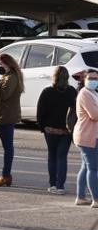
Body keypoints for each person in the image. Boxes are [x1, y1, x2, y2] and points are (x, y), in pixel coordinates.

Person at [38, 65, 78, 195]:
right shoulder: (72, 91)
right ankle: (61, 186)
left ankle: (53, 184)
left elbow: (40, 113)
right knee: (62, 157)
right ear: (67, 78)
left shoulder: (47, 92)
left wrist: (43, 127)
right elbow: (76, 112)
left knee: (52, 156)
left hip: (50, 130)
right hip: (66, 131)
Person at [0, 51, 24, 187]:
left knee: (8, 148)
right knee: (7, 147)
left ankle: (5, 175)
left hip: (7, 116)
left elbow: (3, 96)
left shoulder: (11, 78)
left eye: (0, 64)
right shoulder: (8, 76)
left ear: (7, 64)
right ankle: (5, 175)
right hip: (5, 114)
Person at [74, 70, 98, 207]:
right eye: (91, 78)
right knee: (93, 168)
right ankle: (96, 199)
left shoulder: (93, 93)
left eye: (96, 78)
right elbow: (94, 114)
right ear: (84, 79)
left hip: (90, 135)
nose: (94, 80)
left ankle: (81, 197)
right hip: (86, 135)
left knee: (85, 167)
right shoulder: (84, 94)